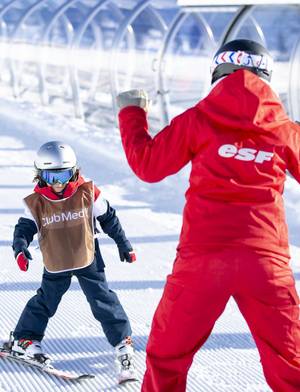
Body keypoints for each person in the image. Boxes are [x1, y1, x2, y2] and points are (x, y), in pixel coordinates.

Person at [116, 39, 300, 391]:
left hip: (202, 261)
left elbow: (149, 165)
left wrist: (132, 114)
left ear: (218, 71)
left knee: (167, 357)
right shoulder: (284, 130)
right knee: (290, 363)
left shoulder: (199, 120)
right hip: (266, 264)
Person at [9, 140, 137, 384]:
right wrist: (20, 249)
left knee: (104, 301)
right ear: (39, 174)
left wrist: (123, 243)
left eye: (65, 175)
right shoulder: (36, 202)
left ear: (74, 171)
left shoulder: (88, 191)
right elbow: (23, 230)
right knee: (45, 301)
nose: (58, 184)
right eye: (50, 176)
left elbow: (109, 218)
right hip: (56, 259)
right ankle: (24, 339)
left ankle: (123, 344)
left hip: (87, 257)